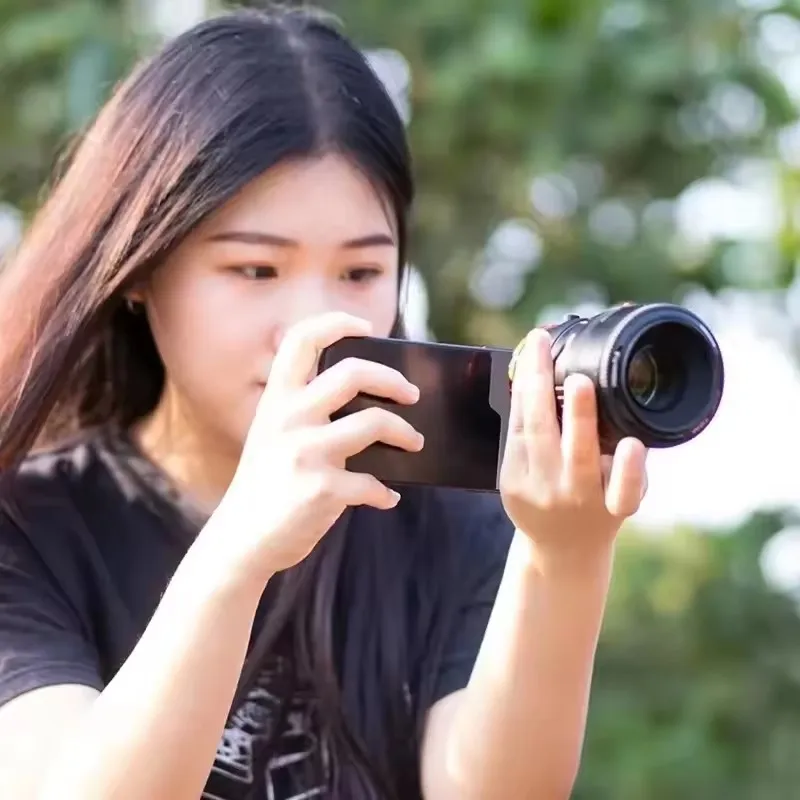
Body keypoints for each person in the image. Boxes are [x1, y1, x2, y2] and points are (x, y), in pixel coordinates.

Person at [0, 7, 648, 800]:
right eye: (255, 271)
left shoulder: (448, 523)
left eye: (361, 273)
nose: (322, 324)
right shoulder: (27, 525)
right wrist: (240, 549)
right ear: (138, 268)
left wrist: (566, 557)